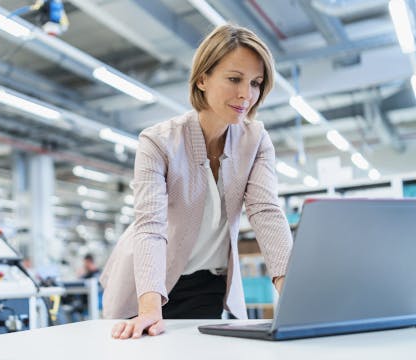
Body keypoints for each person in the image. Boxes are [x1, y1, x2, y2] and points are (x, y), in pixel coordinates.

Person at [99, 24, 293, 339]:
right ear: (202, 79)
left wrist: (294, 295)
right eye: (234, 79)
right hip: (147, 284)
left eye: (255, 83)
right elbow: (150, 226)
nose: (246, 94)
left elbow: (266, 212)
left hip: (206, 282)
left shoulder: (255, 139)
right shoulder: (158, 142)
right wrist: (149, 307)